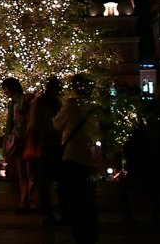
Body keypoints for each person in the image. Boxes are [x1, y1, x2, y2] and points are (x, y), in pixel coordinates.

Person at [54, 74, 101, 244]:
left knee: (74, 198)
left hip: (73, 156)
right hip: (92, 158)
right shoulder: (95, 105)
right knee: (90, 198)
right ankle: (92, 233)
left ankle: (79, 235)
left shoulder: (71, 103)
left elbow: (57, 124)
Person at [28, 76, 64, 224]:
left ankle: (57, 213)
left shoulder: (57, 103)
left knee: (57, 181)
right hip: (45, 146)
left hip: (56, 146)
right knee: (45, 181)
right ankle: (47, 214)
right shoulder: (40, 103)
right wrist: (54, 129)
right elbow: (34, 124)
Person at [1, 77, 37, 213]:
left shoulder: (26, 100)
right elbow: (9, 123)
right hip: (18, 141)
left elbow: (31, 118)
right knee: (24, 173)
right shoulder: (12, 103)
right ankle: (25, 202)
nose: (5, 91)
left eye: (6, 88)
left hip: (26, 140)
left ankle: (31, 202)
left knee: (29, 172)